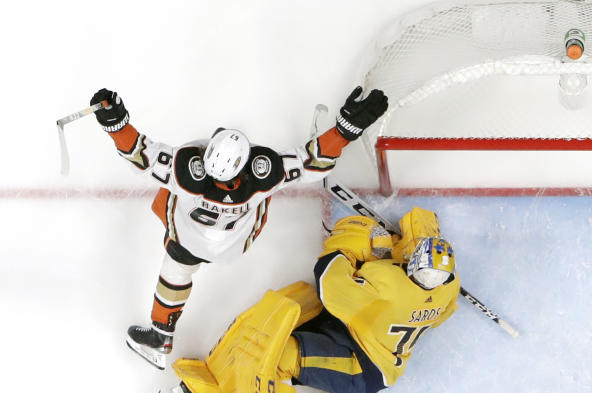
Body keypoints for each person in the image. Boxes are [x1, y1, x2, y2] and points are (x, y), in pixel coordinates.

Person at [90, 86, 388, 369]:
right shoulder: (264, 177)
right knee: (265, 196)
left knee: (174, 272)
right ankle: (162, 333)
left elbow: (139, 154)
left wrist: (116, 123)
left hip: (187, 238)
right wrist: (345, 129)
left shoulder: (181, 174)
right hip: (233, 244)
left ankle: (160, 337)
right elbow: (313, 161)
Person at [170, 206, 459, 393]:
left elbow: (329, 278)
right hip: (352, 333)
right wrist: (403, 247)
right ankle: (219, 382)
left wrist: (348, 249)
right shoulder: (449, 288)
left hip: (362, 367)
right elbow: (441, 308)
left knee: (280, 356)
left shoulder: (388, 285)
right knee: (285, 308)